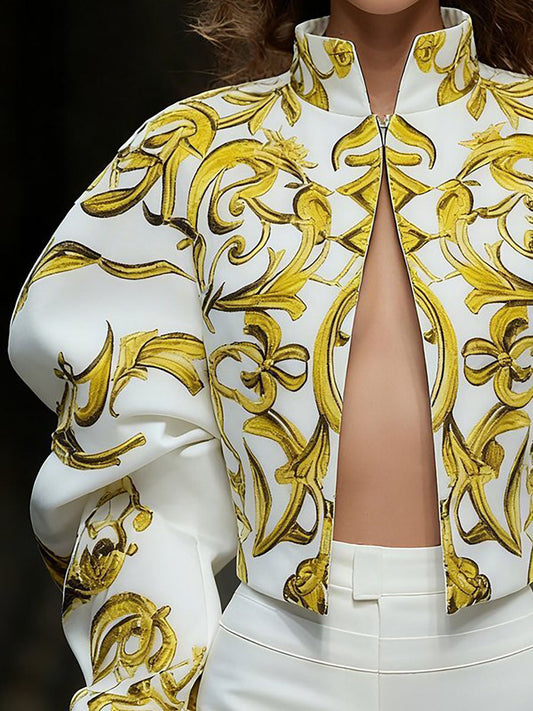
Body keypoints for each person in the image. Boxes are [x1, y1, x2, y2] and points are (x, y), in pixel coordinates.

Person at [7, 1, 533, 709]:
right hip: (272, 662)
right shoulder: (193, 153)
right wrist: (148, 681)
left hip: (513, 655)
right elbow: (128, 457)